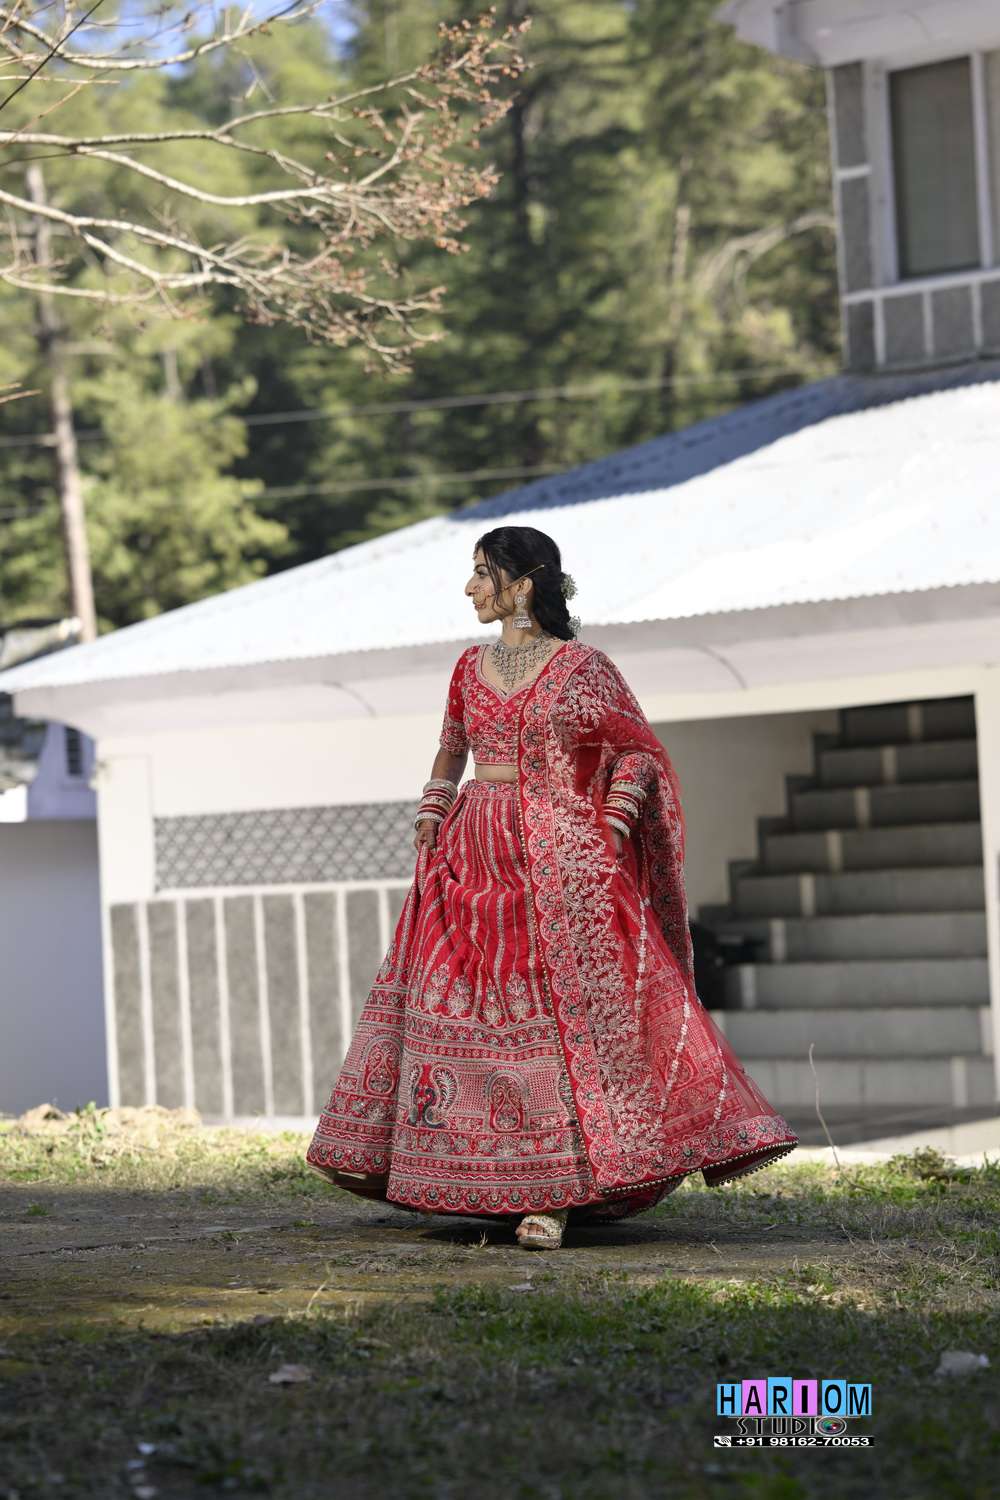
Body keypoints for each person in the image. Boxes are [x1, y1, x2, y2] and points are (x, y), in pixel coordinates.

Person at [306, 525, 796, 1249]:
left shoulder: (584, 668)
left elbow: (635, 753)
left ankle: (556, 1196)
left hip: (559, 865)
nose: (470, 588)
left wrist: (614, 823)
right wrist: (433, 807)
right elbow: (452, 747)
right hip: (468, 856)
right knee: (461, 1011)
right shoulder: (468, 667)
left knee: (556, 1023)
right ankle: (475, 1179)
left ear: (524, 582)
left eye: (482, 573)